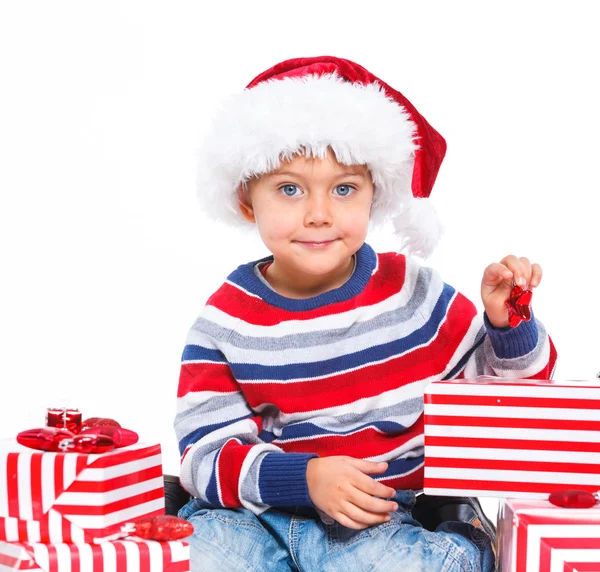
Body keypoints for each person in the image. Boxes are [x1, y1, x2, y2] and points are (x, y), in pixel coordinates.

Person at [174, 56, 556, 572]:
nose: (318, 213)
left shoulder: (413, 294)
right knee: (197, 557)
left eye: (344, 189)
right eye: (289, 189)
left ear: (374, 194)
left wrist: (508, 325)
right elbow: (203, 455)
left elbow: (497, 405)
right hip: (253, 518)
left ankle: (462, 544)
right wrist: (304, 478)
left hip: (374, 524)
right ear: (247, 200)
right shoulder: (227, 321)